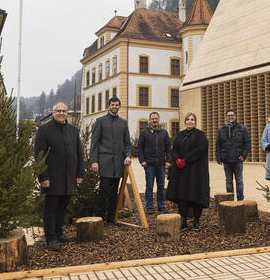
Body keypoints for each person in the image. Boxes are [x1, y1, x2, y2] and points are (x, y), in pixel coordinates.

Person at [34, 102, 85, 251]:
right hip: (52, 177)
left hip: (69, 177)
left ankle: (59, 232)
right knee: (51, 208)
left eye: (64, 111)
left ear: (67, 113)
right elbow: (39, 155)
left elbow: (79, 153)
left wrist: (80, 173)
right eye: (58, 111)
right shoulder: (44, 130)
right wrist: (43, 177)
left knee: (63, 207)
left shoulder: (73, 130)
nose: (61, 113)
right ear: (53, 112)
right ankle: (51, 238)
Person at [90, 97, 131, 226]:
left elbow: (127, 143)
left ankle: (111, 218)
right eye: (113, 104)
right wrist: (94, 161)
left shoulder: (123, 123)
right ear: (109, 106)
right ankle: (100, 217)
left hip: (118, 164)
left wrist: (128, 155)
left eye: (117, 105)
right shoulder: (100, 121)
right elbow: (94, 143)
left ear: (119, 106)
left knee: (114, 192)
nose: (115, 106)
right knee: (103, 191)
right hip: (105, 163)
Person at [166, 112, 209, 231]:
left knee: (195, 195)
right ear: (185, 122)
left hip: (195, 171)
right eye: (188, 120)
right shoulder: (180, 134)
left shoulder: (200, 135)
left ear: (195, 122)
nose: (190, 121)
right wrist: (177, 159)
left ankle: (196, 221)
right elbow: (174, 149)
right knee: (182, 195)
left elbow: (200, 150)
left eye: (192, 120)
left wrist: (186, 159)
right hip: (182, 171)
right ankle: (183, 220)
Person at [138, 112, 172, 214]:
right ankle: (149, 207)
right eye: (152, 119)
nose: (154, 120)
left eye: (156, 118)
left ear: (159, 120)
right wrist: (142, 160)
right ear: (149, 120)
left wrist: (168, 161)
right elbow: (139, 148)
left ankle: (161, 206)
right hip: (149, 164)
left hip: (161, 164)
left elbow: (168, 148)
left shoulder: (164, 132)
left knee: (161, 186)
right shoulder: (144, 132)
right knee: (149, 186)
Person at [215, 109, 251, 201]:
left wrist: (244, 155)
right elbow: (218, 144)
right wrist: (218, 158)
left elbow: (247, 143)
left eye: (232, 115)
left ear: (235, 117)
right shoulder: (221, 130)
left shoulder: (241, 129)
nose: (230, 117)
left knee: (239, 182)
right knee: (228, 182)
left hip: (238, 159)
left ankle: (240, 200)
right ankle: (230, 201)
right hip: (226, 159)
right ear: (226, 117)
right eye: (228, 115)